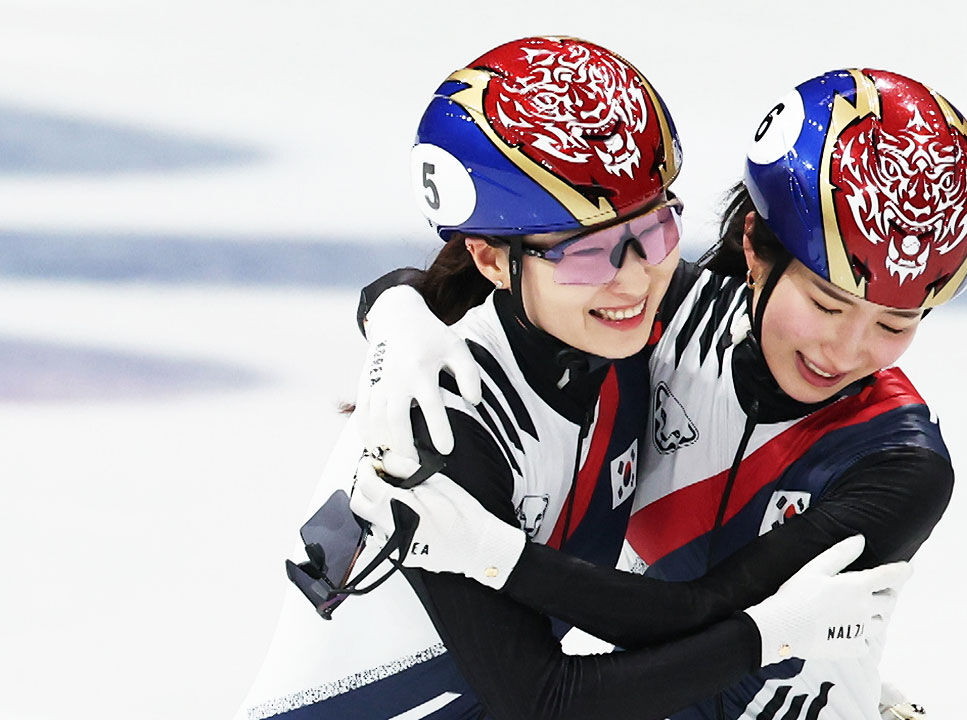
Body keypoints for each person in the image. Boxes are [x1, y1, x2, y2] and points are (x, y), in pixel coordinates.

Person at [236, 39, 909, 720]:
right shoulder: (439, 431)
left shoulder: (625, 336)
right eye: (587, 254)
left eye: (654, 230)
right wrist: (768, 639)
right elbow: (546, 700)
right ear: (492, 260)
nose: (635, 278)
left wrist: (393, 307)